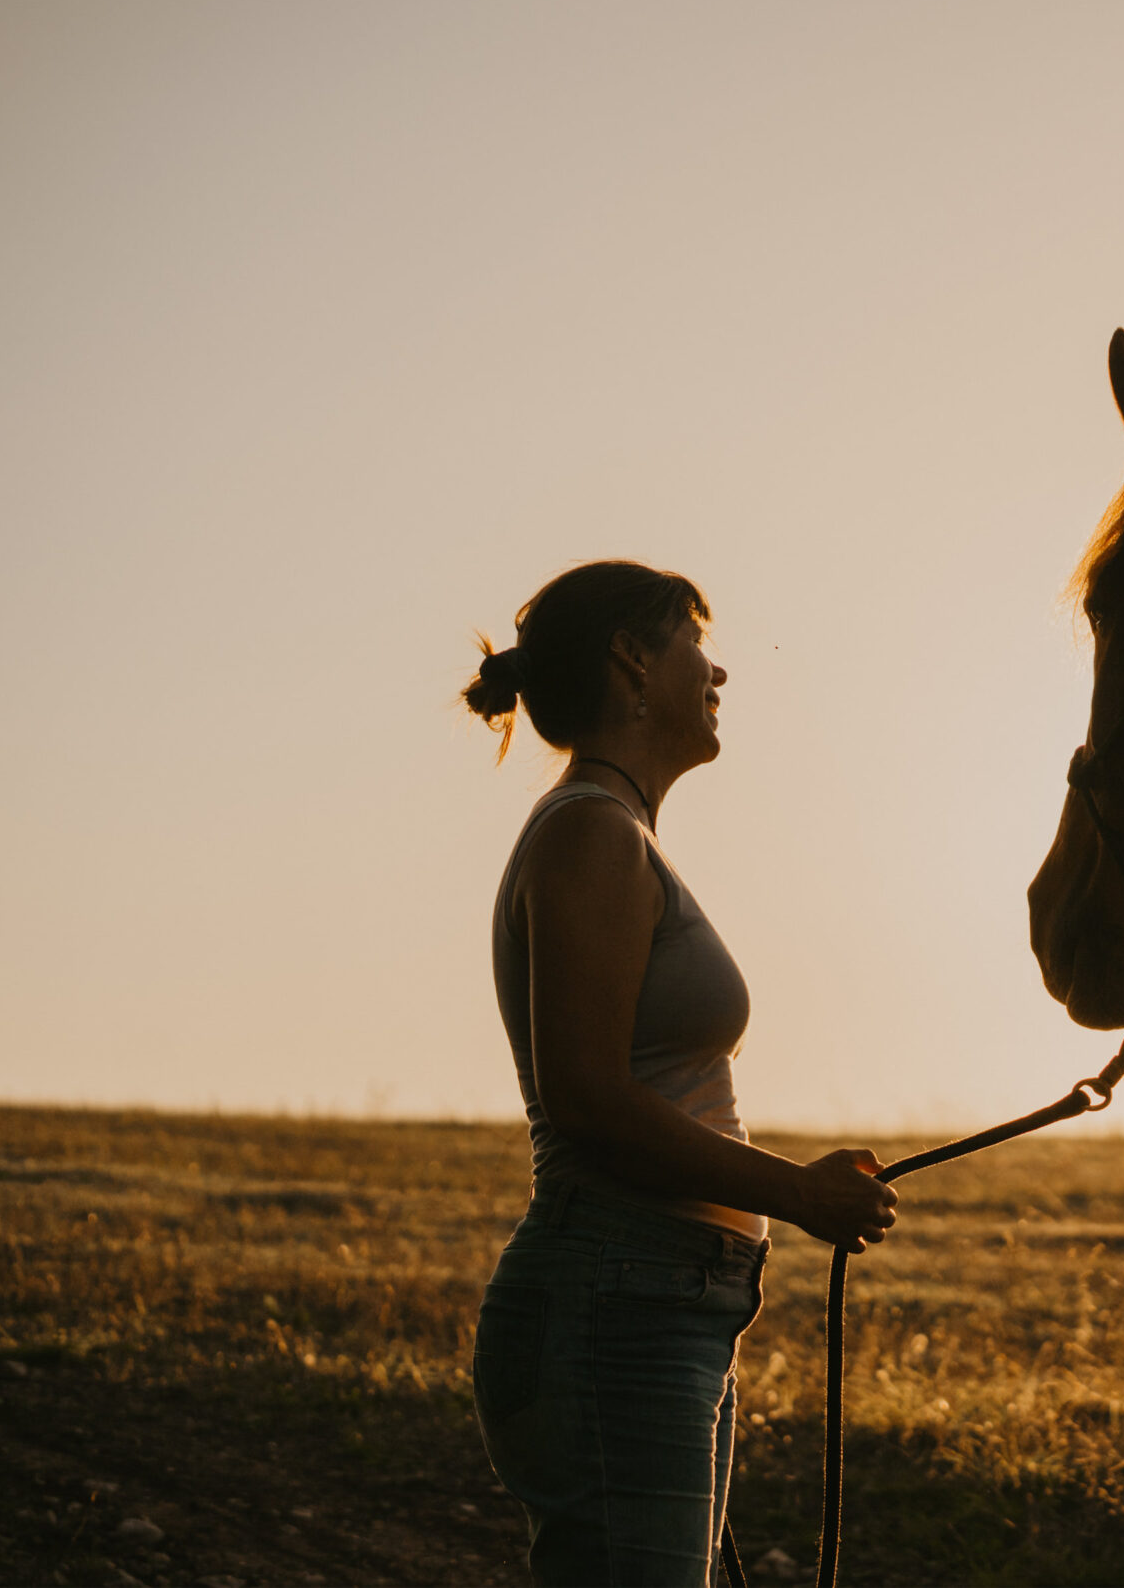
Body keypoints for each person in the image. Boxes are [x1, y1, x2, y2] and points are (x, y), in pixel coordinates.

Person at [459, 559, 898, 1586]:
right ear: (633, 662)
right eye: (695, 639)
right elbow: (588, 1100)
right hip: (619, 1305)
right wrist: (796, 1193)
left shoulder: (616, 833)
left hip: (659, 1301)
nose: (720, 670)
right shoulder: (591, 835)